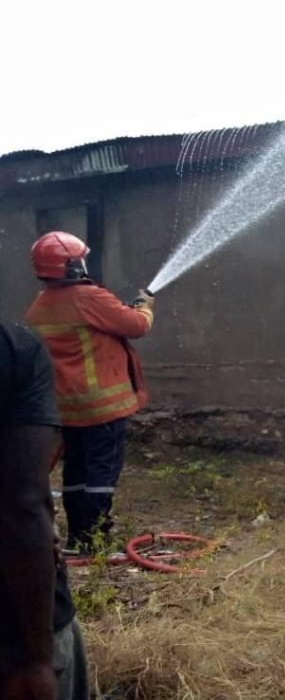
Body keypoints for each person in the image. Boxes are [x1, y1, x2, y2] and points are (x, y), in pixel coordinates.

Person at [25, 231, 155, 553]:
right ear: (70, 266)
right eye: (78, 259)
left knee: (77, 474)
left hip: (69, 409)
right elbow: (135, 325)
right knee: (101, 474)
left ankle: (79, 536)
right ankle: (96, 540)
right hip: (103, 408)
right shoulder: (88, 297)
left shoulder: (40, 306)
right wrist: (145, 307)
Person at [1, 321, 89, 699]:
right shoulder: (14, 346)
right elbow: (21, 503)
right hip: (13, 632)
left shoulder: (43, 307)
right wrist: (37, 661)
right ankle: (87, 533)